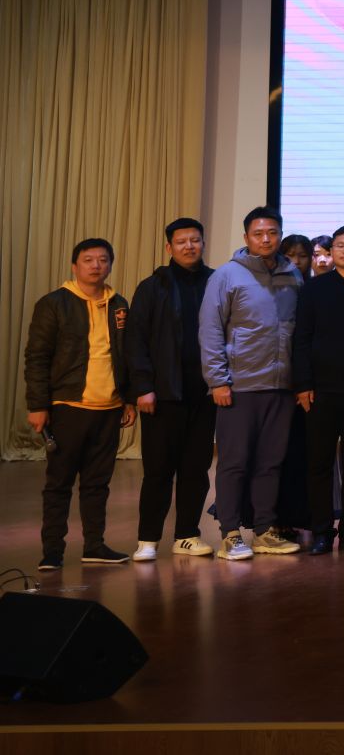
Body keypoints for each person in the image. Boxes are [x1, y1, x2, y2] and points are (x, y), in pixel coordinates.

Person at [200, 207, 304, 561]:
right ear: (246, 237)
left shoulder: (292, 275)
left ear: (280, 235)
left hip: (281, 387)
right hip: (239, 386)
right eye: (258, 233)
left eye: (272, 233)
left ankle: (263, 531)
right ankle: (230, 533)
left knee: (270, 463)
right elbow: (210, 330)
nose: (266, 239)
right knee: (234, 463)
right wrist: (218, 380)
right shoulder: (227, 275)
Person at [25, 238, 135, 570]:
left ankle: (95, 545)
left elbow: (127, 356)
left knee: (97, 484)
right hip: (68, 406)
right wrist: (38, 405)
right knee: (59, 483)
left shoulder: (119, 304)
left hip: (110, 408)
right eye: (88, 260)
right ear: (75, 266)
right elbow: (37, 358)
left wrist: (128, 399)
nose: (96, 265)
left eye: (103, 260)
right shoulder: (54, 303)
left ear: (110, 265)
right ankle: (52, 552)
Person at [126, 217, 216, 561]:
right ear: (169, 247)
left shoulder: (216, 282)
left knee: (196, 471)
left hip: (204, 394)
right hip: (162, 396)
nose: (189, 246)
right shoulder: (153, 286)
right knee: (158, 471)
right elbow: (136, 340)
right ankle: (147, 539)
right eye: (181, 241)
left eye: (195, 240)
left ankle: (187, 535)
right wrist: (143, 387)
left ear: (203, 243)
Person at [293, 224, 344, 554]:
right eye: (340, 245)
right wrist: (303, 384)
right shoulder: (314, 289)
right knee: (319, 463)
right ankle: (322, 531)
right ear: (332, 250)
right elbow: (301, 339)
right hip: (321, 391)